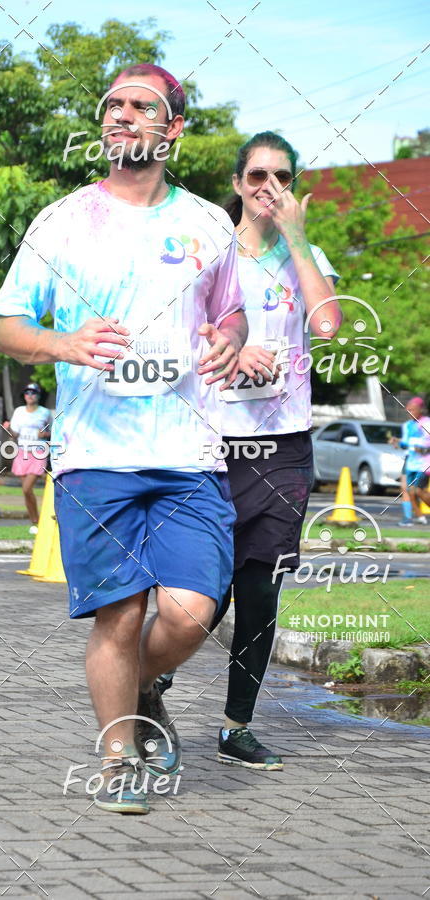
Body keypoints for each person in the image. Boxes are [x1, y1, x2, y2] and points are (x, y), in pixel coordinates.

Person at [0, 63, 246, 814]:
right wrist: (64, 343)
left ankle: (139, 690)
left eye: (142, 106)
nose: (123, 116)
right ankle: (119, 754)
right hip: (94, 455)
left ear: (174, 129)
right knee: (121, 612)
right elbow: (5, 327)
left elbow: (232, 313)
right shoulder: (61, 222)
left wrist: (229, 338)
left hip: (188, 452)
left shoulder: (207, 223)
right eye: (113, 105)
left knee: (196, 608)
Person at [204, 132, 342, 770]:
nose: (268, 186)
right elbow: (175, 327)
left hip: (282, 449)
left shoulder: (304, 254)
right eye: (256, 175)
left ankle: (237, 727)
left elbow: (328, 323)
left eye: (281, 177)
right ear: (236, 183)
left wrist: (297, 238)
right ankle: (154, 678)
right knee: (197, 590)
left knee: (259, 592)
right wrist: (232, 348)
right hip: (207, 443)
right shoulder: (207, 251)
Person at [3, 382, 52, 535]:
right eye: (27, 393)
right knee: (26, 492)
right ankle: (35, 522)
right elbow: (15, 434)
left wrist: (45, 434)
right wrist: (8, 428)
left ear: (38, 395)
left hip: (38, 453)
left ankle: (38, 520)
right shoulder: (18, 412)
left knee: (27, 488)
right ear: (24, 396)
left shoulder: (45, 413)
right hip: (22, 452)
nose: (30, 396)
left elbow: (54, 431)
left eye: (33, 393)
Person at [395, 397, 428, 527]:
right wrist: (397, 443)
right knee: (406, 489)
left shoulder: (426, 423)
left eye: (412, 410)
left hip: (423, 462)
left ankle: (418, 516)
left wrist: (421, 449)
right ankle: (409, 518)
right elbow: (405, 443)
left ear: (420, 410)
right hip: (409, 460)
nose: (409, 413)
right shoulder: (407, 425)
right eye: (408, 410)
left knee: (418, 491)